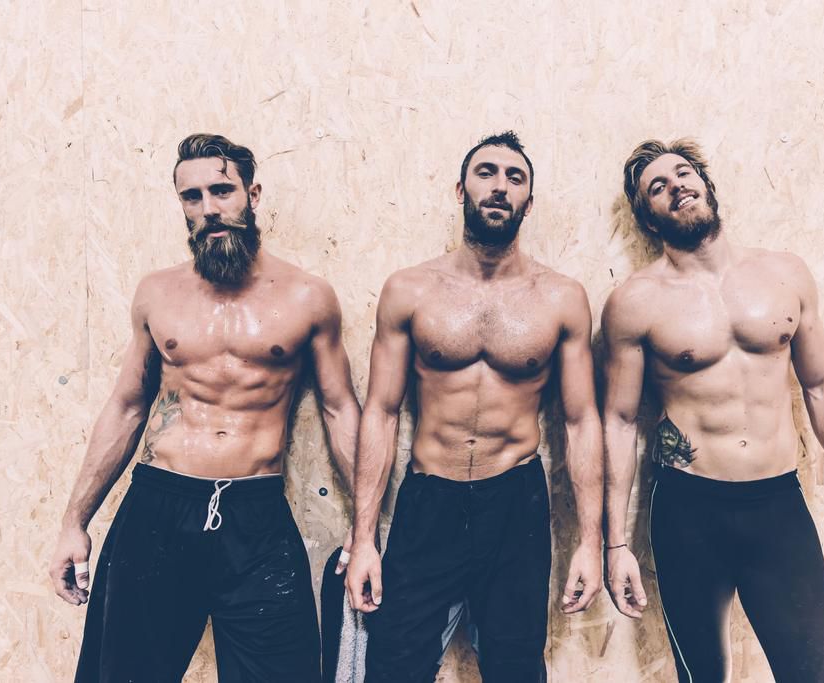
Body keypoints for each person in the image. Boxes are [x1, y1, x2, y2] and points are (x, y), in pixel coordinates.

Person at [48, 133, 361, 682]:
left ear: (252, 194)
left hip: (255, 514)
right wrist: (74, 522)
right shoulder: (158, 293)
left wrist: (366, 528)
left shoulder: (307, 297)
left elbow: (340, 410)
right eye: (192, 197)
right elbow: (127, 407)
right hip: (158, 506)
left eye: (222, 190)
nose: (209, 208)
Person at [602, 138, 824, 682]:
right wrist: (616, 544)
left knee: (821, 674)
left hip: (776, 503)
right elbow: (618, 421)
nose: (676, 185)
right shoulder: (635, 302)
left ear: (706, 186)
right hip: (687, 507)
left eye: (684, 173)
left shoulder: (784, 275)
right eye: (657, 187)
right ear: (649, 218)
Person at [345, 132, 604, 682]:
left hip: (515, 500)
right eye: (486, 173)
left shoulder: (560, 297)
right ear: (460, 190)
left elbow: (582, 422)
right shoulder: (410, 290)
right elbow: (381, 412)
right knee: (394, 667)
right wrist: (363, 538)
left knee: (516, 668)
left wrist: (590, 541)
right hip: (429, 498)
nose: (500, 186)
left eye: (515, 177)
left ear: (528, 203)